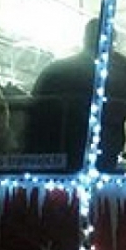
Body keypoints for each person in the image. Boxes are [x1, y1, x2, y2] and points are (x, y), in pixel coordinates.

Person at [27, 19, 99, 168]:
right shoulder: (102, 76)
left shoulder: (53, 69)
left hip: (41, 152)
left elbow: (31, 108)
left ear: (84, 39)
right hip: (81, 153)